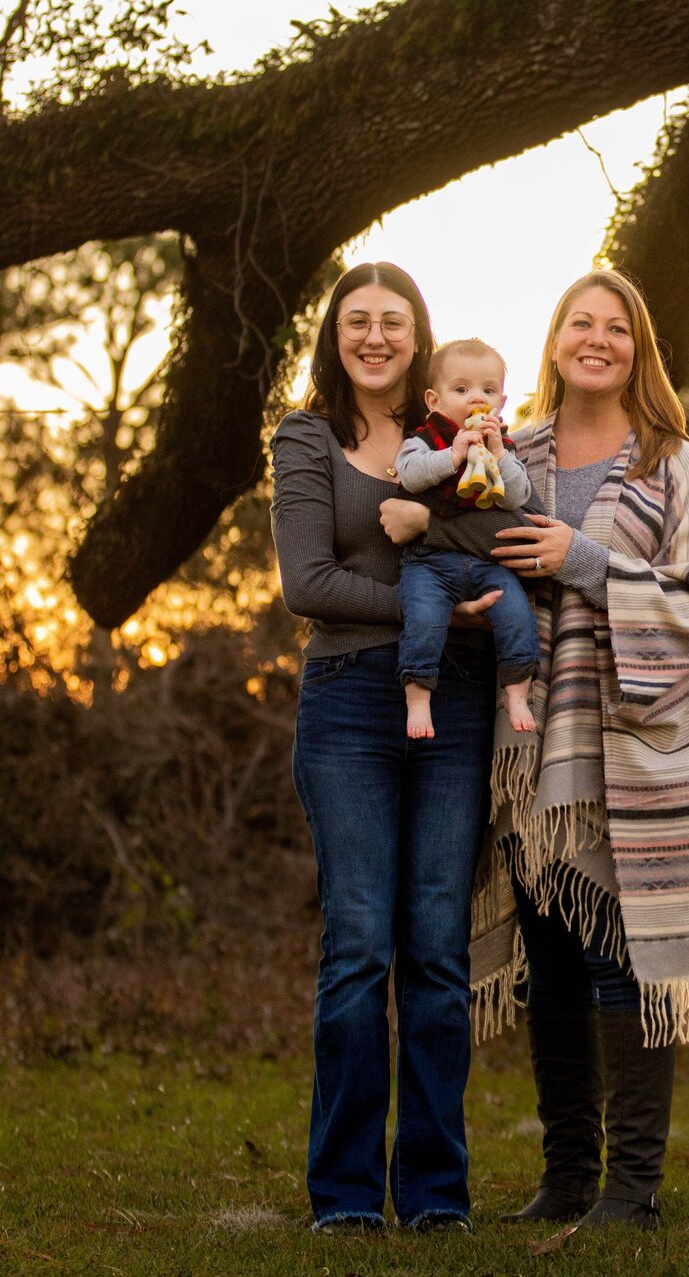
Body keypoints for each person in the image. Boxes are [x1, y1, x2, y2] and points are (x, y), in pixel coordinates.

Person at [477, 267, 689, 1231]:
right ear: (557, 339)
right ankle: (567, 1176)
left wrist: (584, 560)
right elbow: (457, 551)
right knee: (551, 960)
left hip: (640, 748)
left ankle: (632, 1189)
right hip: (530, 748)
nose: (596, 338)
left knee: (627, 955)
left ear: (637, 348)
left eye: (617, 326)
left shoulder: (672, 465)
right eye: (581, 322)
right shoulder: (508, 448)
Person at [269, 262, 498, 1235]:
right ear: (335, 334)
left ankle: (437, 1194)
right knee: (360, 948)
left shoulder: (453, 428)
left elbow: (506, 523)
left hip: (456, 709)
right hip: (348, 706)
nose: (374, 336)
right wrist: (440, 608)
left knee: (439, 951)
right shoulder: (306, 435)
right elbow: (308, 583)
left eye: (392, 322)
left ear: (417, 336)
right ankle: (349, 1197)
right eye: (356, 320)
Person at [393, 338, 539, 741]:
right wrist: (453, 456)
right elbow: (411, 475)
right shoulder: (424, 439)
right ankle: (418, 696)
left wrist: (500, 455)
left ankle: (516, 690)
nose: (477, 399)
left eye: (488, 391)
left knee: (516, 615)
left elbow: (517, 498)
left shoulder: (503, 445)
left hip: (486, 563)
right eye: (462, 390)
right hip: (429, 561)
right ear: (433, 399)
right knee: (423, 617)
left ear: (502, 402)